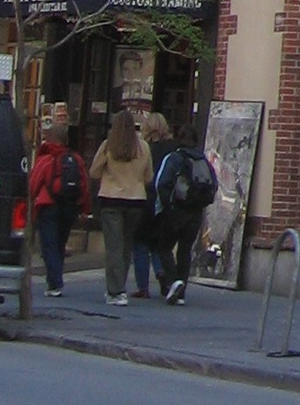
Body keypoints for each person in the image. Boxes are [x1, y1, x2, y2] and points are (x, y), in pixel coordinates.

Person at [89, 108, 153, 306]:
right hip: (135, 199)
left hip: (111, 198)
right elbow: (149, 177)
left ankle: (115, 291)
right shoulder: (143, 147)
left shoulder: (108, 146)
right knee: (126, 246)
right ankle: (121, 287)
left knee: (113, 247)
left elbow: (94, 172)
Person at [149, 122, 218, 306]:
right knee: (185, 250)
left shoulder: (174, 158)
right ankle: (181, 292)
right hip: (195, 212)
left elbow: (160, 183)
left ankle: (173, 282)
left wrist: (166, 205)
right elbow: (214, 185)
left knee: (164, 247)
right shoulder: (203, 161)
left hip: (175, 210)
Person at [28, 115, 90, 299]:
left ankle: (54, 282)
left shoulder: (46, 158)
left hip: (48, 206)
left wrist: (31, 204)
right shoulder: (76, 158)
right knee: (60, 244)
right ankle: (56, 279)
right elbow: (84, 185)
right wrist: (84, 209)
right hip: (69, 206)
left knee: (49, 245)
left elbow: (33, 184)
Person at [132, 110, 171, 298]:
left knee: (140, 243)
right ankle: (161, 273)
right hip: (164, 200)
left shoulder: (143, 149)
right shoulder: (171, 149)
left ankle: (143, 287)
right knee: (157, 242)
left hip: (144, 198)